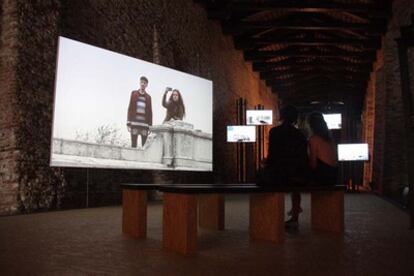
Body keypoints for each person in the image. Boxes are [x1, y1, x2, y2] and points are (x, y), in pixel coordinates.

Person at [286, 111, 338, 228]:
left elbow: (313, 164)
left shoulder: (314, 139)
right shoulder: (329, 138)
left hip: (323, 176)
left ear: (311, 125)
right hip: (333, 175)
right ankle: (296, 209)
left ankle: (295, 216)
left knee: (294, 182)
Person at [259, 104, 309, 186]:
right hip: (295, 173)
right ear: (295, 117)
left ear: (282, 116)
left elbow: (272, 153)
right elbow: (303, 156)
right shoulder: (300, 134)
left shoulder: (274, 131)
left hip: (278, 173)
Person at [127, 76, 153, 148]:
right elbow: (130, 108)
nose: (143, 84)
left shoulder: (148, 97)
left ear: (146, 85)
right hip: (134, 123)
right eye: (141, 82)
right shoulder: (134, 93)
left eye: (144, 83)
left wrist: (150, 125)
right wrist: (128, 123)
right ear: (139, 83)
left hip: (144, 125)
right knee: (133, 145)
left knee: (144, 146)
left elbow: (150, 111)